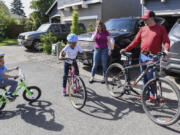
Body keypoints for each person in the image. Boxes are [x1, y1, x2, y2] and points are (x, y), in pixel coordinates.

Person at [120, 10, 170, 101]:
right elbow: (135, 41)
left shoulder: (160, 28)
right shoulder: (143, 29)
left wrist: (166, 50)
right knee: (144, 76)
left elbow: (166, 41)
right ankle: (145, 94)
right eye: (144, 19)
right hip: (143, 55)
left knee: (151, 77)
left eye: (146, 19)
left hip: (154, 56)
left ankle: (153, 95)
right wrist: (126, 49)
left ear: (152, 18)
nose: (144, 21)